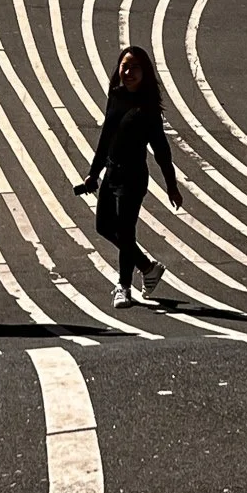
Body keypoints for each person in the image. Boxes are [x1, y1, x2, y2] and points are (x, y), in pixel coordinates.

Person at [76, 46, 185, 308]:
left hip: (133, 177)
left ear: (145, 72)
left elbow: (162, 151)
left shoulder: (148, 110)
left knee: (125, 231)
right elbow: (106, 138)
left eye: (134, 67)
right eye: (125, 66)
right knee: (103, 226)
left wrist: (172, 186)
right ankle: (148, 268)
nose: (128, 72)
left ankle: (124, 287)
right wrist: (94, 172)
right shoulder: (116, 97)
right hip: (112, 172)